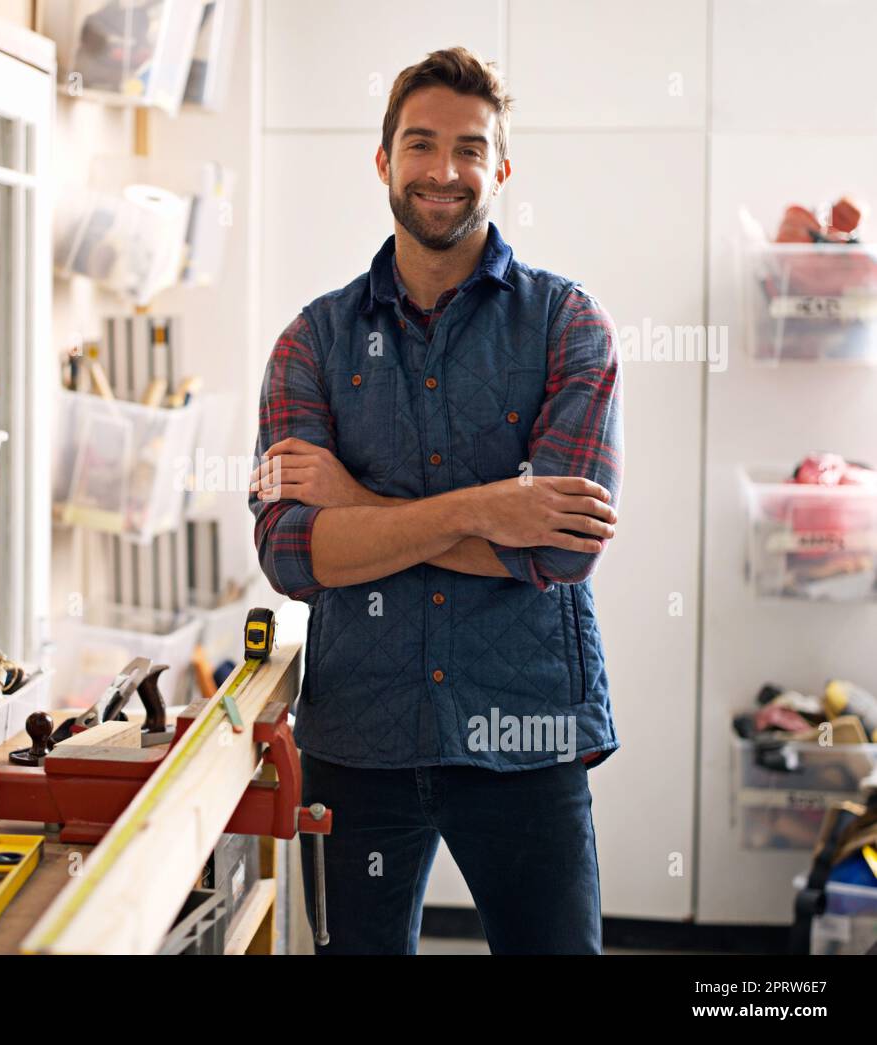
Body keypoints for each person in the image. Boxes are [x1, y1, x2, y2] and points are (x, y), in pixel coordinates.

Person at [248, 46, 624, 955]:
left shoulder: (571, 326)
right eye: (421, 144)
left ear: (501, 167)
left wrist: (357, 504)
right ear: (384, 162)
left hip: (527, 734)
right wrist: (486, 509)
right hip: (362, 738)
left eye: (469, 148)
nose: (444, 171)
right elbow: (294, 556)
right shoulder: (310, 342)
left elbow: (559, 551)